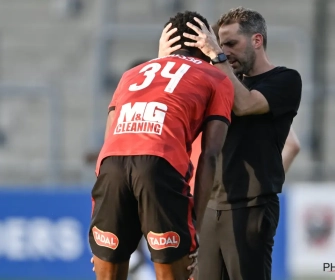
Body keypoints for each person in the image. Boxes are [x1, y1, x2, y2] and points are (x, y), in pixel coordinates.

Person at [89, 10, 234, 280]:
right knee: (175, 273)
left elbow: (107, 147)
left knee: (108, 273)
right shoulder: (217, 77)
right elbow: (210, 155)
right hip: (160, 164)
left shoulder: (131, 74)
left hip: (113, 167)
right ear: (205, 42)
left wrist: (98, 217)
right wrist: (196, 230)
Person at [159, 7, 302, 280]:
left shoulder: (285, 79)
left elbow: (245, 104)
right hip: (211, 207)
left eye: (231, 44)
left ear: (257, 41)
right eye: (220, 43)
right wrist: (164, 60)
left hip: (250, 207)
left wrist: (216, 56)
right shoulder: (220, 80)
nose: (224, 50)